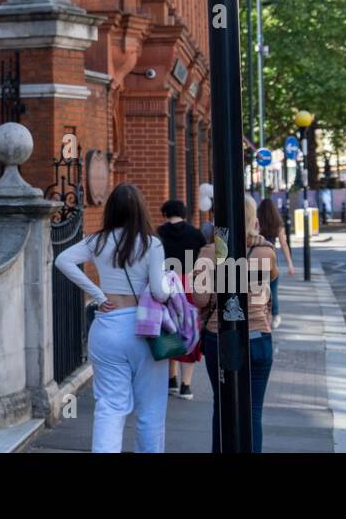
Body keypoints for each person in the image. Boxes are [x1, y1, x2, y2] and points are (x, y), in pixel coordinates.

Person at [55, 183, 171, 452]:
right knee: (150, 410)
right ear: (140, 210)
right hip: (145, 330)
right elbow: (159, 292)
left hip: (107, 326)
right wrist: (171, 285)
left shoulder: (97, 241)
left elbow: (63, 260)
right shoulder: (152, 244)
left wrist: (97, 296)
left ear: (112, 210)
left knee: (110, 407)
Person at [191, 194, 278, 453]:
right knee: (253, 411)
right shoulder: (266, 251)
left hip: (219, 337)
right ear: (254, 219)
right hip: (258, 337)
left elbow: (199, 299)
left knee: (223, 406)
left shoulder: (208, 252)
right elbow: (270, 281)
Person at [157, 198, 206, 400]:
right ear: (184, 213)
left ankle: (171, 380)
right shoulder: (196, 234)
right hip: (188, 286)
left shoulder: (158, 234)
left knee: (169, 330)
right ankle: (186, 386)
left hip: (165, 286)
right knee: (189, 332)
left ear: (165, 213)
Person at [257, 198, 295, 329]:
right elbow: (284, 244)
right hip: (272, 259)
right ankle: (276, 316)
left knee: (260, 290)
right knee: (273, 290)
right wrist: (290, 264)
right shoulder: (277, 223)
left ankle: (262, 316)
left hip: (258, 258)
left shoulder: (257, 222)